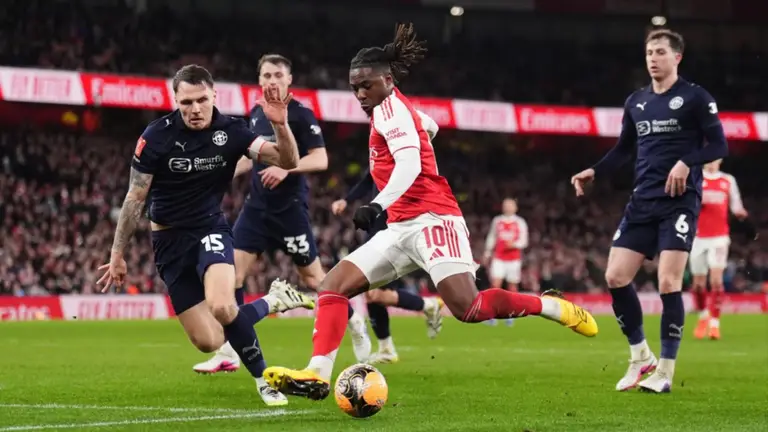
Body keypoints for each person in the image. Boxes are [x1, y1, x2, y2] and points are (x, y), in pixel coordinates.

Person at [262, 23, 598, 402]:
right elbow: (430, 126)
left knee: (469, 308)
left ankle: (549, 306)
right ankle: (318, 374)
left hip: (433, 219)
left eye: (366, 85)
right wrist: (420, 139)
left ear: (387, 80)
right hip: (400, 227)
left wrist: (376, 204)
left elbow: (409, 165)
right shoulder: (393, 109)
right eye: (355, 87)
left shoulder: (391, 113)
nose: (359, 94)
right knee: (332, 286)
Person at [97, 65, 315, 406]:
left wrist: (280, 125)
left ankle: (264, 381)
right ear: (175, 100)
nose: (195, 109)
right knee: (209, 341)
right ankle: (273, 301)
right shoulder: (156, 137)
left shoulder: (233, 131)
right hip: (168, 241)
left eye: (201, 99)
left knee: (223, 306)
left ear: (215, 95)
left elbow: (288, 161)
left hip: (210, 230)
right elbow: (135, 197)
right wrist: (117, 254)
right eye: (186, 102)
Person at [570, 29, 728, 393]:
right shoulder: (637, 101)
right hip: (642, 201)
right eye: (649, 53)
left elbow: (719, 145)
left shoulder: (696, 97)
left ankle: (666, 372)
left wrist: (687, 162)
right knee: (615, 276)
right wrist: (596, 170)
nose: (653, 59)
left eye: (660, 52)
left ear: (677, 57)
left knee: (669, 281)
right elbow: (624, 149)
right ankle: (641, 356)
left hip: (679, 202)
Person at [192, 55, 372, 374]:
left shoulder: (301, 114)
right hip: (256, 209)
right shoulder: (255, 113)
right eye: (266, 75)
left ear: (289, 80)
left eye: (278, 75)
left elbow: (320, 159)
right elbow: (250, 156)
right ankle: (230, 351)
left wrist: (287, 169)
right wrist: (220, 173)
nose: (272, 80)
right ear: (259, 80)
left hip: (290, 212)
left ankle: (354, 320)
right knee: (233, 275)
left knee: (315, 280)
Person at [330, 108, 445, 364]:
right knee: (370, 290)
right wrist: (346, 200)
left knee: (374, 293)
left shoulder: (406, 150)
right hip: (376, 224)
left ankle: (427, 307)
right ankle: (387, 346)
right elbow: (367, 178)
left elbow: (431, 128)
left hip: (394, 225)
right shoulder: (382, 147)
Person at [689, 159, 747, 340]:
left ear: (720, 160)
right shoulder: (696, 177)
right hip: (697, 238)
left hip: (719, 237)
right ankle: (703, 316)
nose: (711, 162)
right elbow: (687, 202)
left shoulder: (727, 180)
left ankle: (715, 324)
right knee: (698, 284)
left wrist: (739, 212)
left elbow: (736, 205)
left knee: (716, 281)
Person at [482, 197, 529, 326]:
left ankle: (511, 314)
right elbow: (492, 237)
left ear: (515, 208)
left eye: (510, 205)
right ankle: (491, 314)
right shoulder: (497, 221)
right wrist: (487, 253)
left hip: (514, 259)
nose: (507, 207)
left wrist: (514, 244)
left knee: (512, 287)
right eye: (505, 205)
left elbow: (524, 241)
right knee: (495, 285)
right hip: (499, 257)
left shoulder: (520, 222)